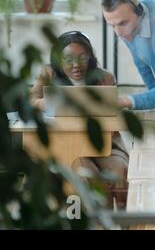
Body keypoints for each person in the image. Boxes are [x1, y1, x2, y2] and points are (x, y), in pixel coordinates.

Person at [30, 31, 129, 209]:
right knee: (87, 174)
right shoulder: (49, 74)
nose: (76, 65)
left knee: (119, 169)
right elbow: (31, 100)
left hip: (104, 143)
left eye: (82, 57)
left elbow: (113, 116)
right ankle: (98, 223)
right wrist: (43, 102)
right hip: (68, 143)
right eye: (68, 59)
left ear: (90, 57)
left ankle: (123, 223)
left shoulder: (105, 77)